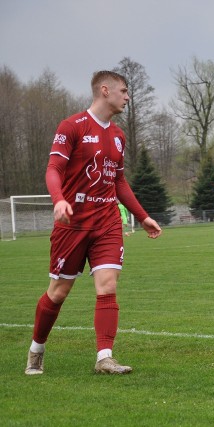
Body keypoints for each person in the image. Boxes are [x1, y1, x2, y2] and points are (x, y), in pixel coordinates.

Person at [25, 71, 163, 376]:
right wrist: (59, 199)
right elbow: (53, 168)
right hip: (72, 225)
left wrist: (143, 216)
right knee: (58, 292)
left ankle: (104, 357)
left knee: (108, 285)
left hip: (107, 223)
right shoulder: (71, 126)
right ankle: (37, 348)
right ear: (105, 91)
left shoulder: (119, 135)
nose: (127, 96)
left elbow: (120, 182)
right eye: (124, 91)